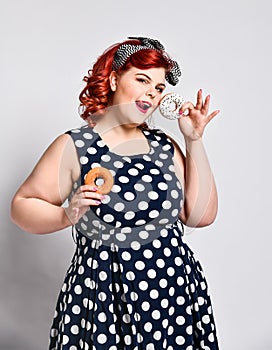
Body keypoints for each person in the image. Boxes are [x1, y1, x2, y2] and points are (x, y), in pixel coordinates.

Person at [11, 36, 220, 349]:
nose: (152, 91)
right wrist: (65, 214)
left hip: (169, 292)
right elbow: (21, 206)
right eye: (142, 79)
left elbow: (200, 216)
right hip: (102, 294)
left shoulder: (166, 147)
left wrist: (193, 140)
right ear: (113, 79)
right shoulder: (75, 146)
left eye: (160, 87)